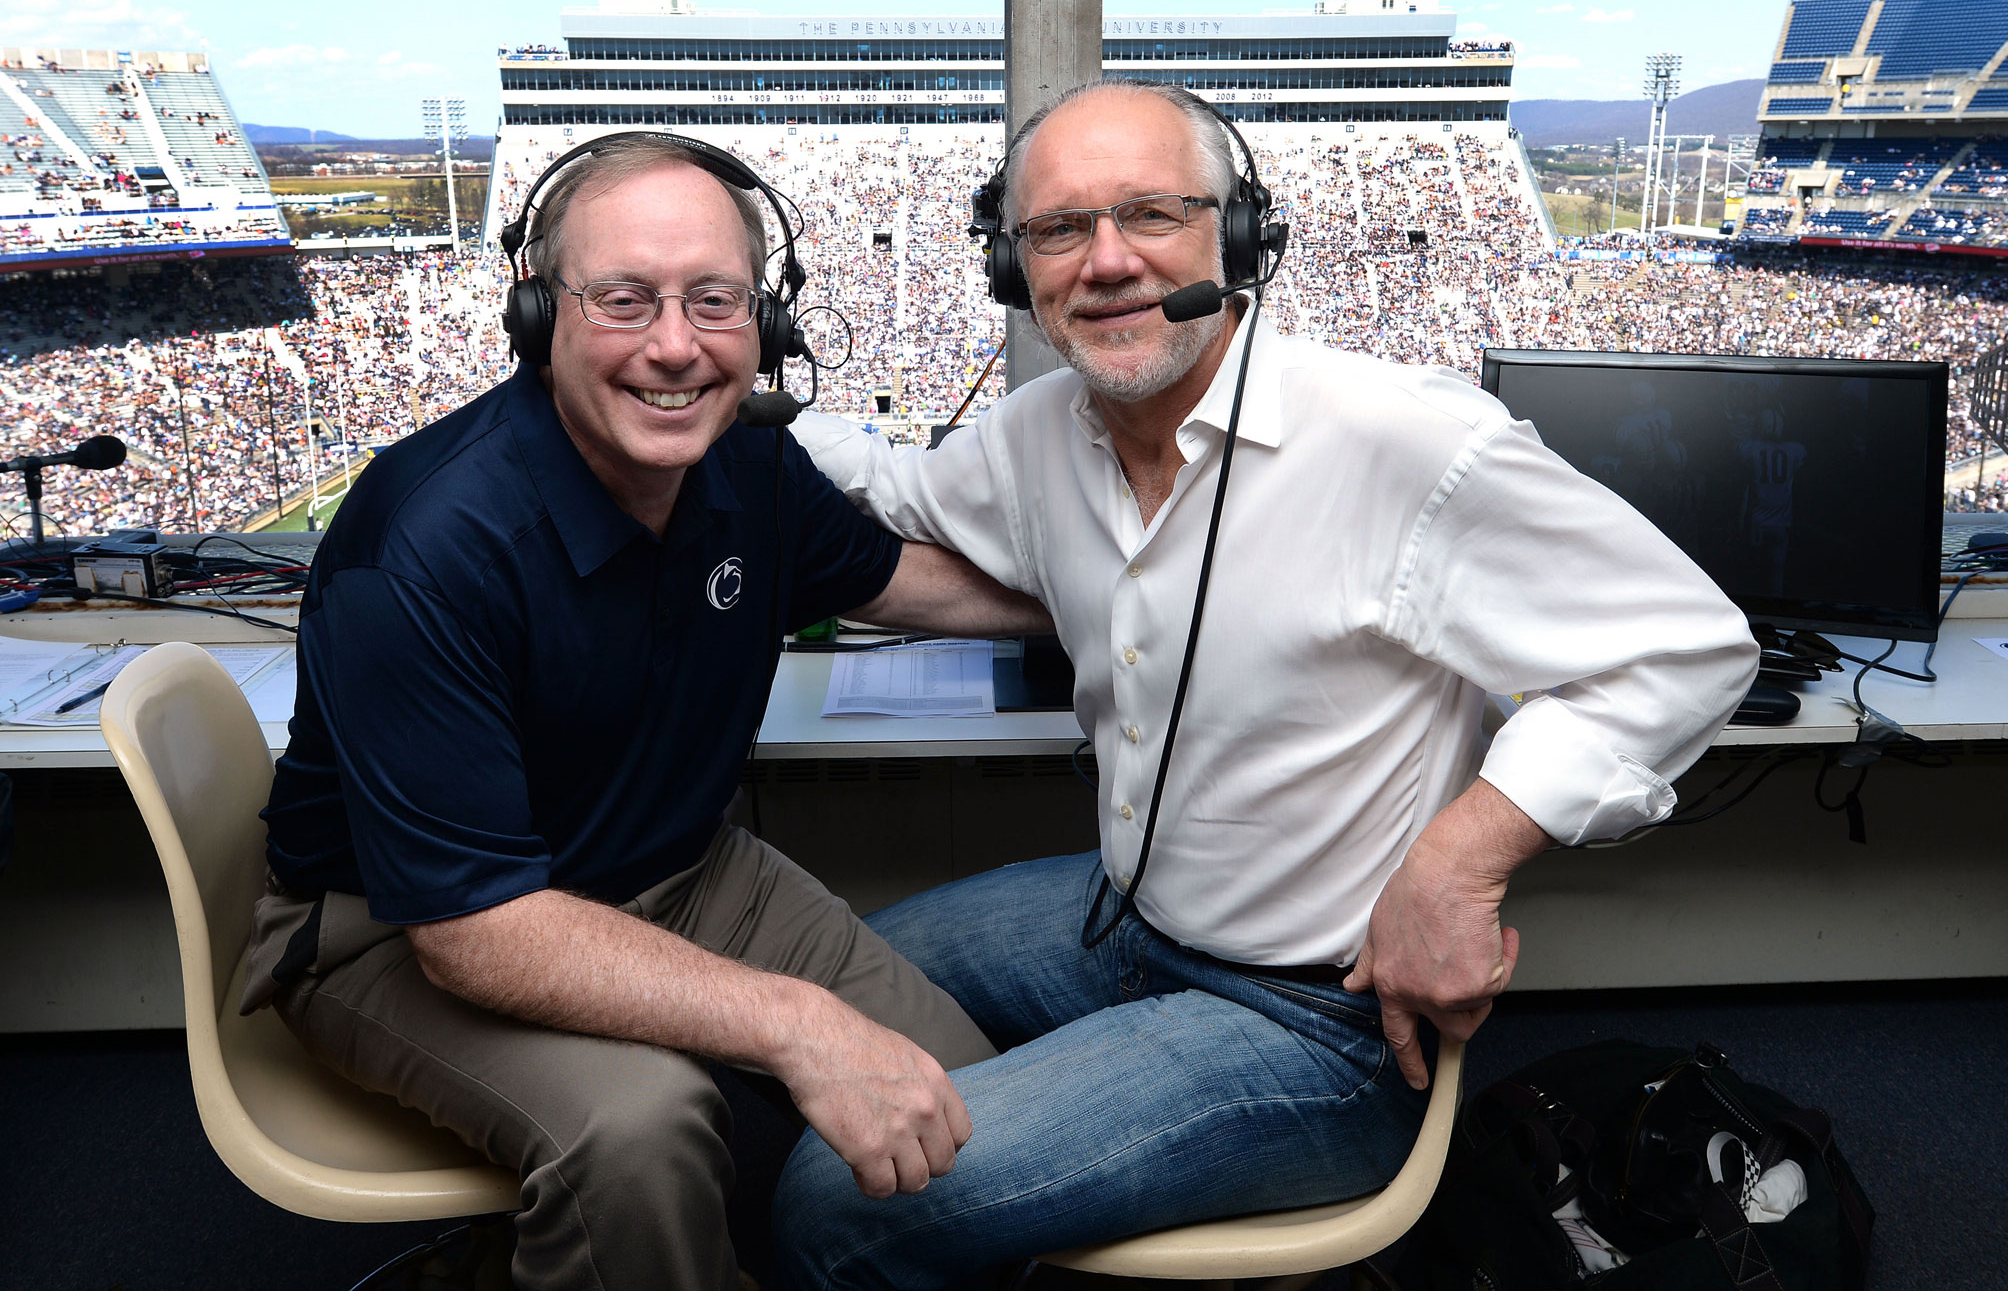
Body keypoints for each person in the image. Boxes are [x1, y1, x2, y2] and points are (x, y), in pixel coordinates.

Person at [776, 80, 1759, 1287]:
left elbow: (1684, 647)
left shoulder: (1403, 441)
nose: (1107, 261)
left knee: (838, 1202)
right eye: (1058, 229)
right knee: (815, 989)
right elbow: (893, 488)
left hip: (1316, 1025)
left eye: (1151, 213)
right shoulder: (1034, 435)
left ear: (1239, 236)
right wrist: (720, 384)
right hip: (1125, 917)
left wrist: (1458, 862)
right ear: (1010, 266)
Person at [238, 134, 1050, 1291]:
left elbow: (892, 577)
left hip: (678, 869)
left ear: (761, 322)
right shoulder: (425, 544)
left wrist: (1126, 608)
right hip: (401, 927)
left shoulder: (746, 463)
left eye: (712, 301)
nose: (674, 347)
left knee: (958, 1100)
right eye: (625, 300)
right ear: (541, 317)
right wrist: (794, 1024)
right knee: (641, 1129)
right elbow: (475, 931)